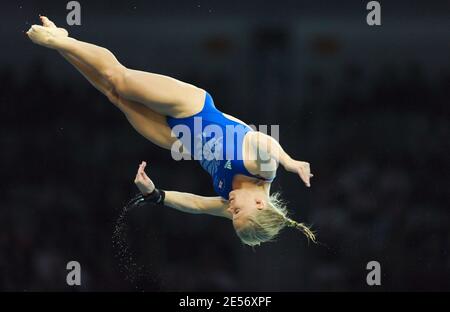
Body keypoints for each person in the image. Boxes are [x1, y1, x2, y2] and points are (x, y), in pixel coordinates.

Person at [26, 16, 316, 246]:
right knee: (121, 79)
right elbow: (261, 138)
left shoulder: (231, 204)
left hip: (177, 141)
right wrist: (290, 162)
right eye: (239, 212)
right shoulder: (264, 170)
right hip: (193, 107)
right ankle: (59, 40)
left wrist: (157, 195)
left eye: (232, 218)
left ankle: (61, 44)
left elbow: (198, 205)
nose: (231, 211)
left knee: (114, 95)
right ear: (259, 203)